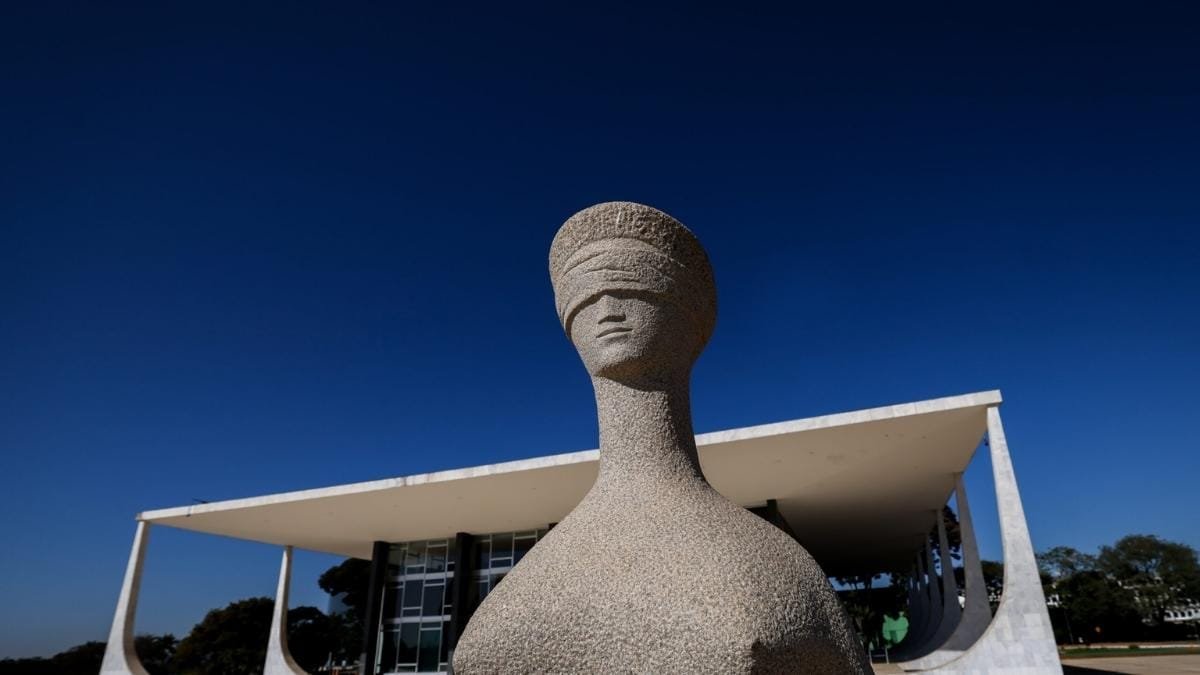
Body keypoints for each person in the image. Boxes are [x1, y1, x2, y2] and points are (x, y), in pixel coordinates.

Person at [453, 202, 870, 674]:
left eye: (629, 289)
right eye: (587, 299)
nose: (606, 311)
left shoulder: (777, 566)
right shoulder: (533, 580)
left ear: (685, 313)